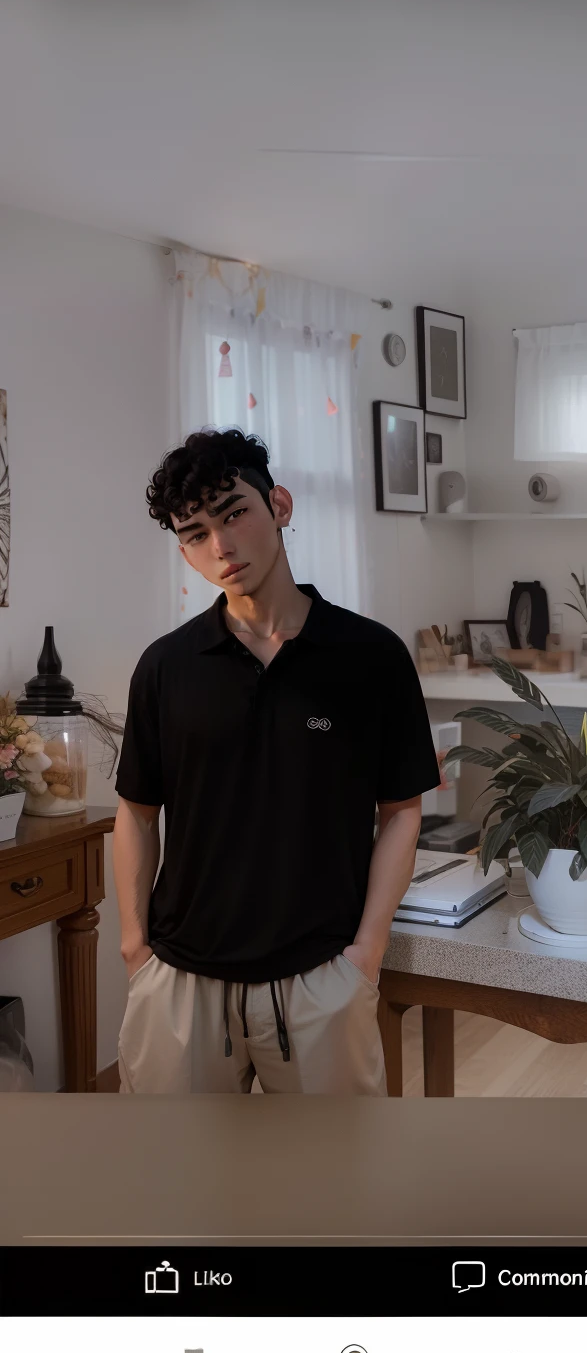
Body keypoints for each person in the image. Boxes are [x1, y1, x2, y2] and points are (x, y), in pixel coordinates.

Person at [114, 426, 441, 1093]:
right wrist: (134, 947)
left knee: (331, 1189)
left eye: (234, 513)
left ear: (280, 506)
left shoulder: (370, 656)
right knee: (174, 1187)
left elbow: (402, 811)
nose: (221, 546)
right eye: (195, 533)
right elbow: (137, 815)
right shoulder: (165, 667)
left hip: (320, 977)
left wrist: (366, 954)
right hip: (181, 980)